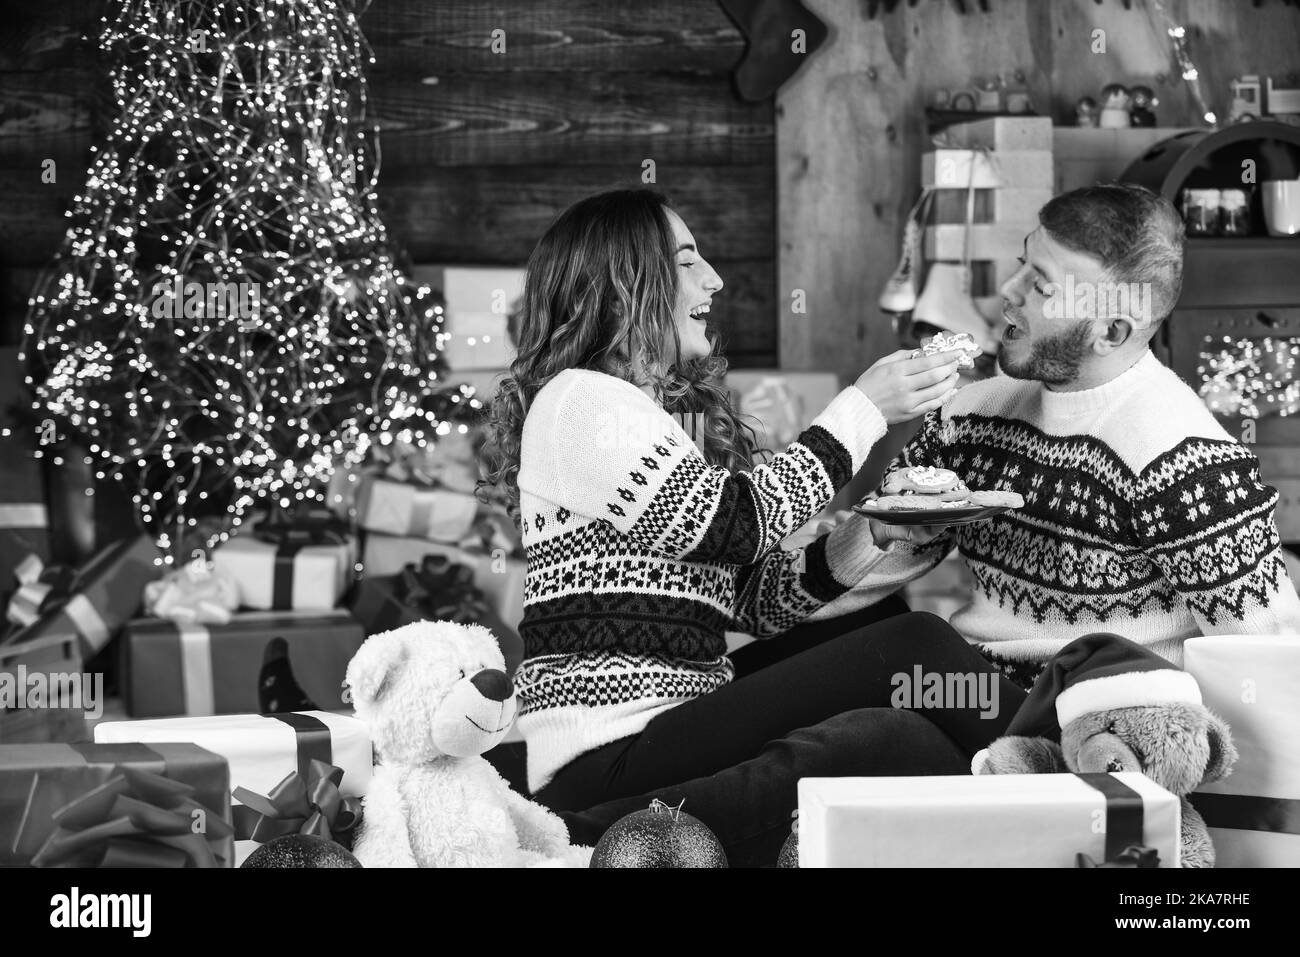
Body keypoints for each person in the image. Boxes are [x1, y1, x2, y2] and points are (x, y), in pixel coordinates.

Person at [479, 189, 1021, 865]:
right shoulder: (582, 400)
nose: (715, 279)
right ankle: (1089, 792)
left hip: (669, 721)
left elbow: (755, 601)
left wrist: (873, 536)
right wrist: (864, 408)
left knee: (910, 724)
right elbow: (732, 524)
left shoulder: (650, 419)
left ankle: (1037, 811)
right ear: (625, 286)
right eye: (687, 260)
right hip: (608, 757)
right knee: (913, 647)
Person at [801, 183, 1300, 690]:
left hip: (1077, 727)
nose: (1008, 290)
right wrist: (874, 536)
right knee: (839, 652)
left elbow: (1272, 667)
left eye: (1041, 287)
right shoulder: (970, 414)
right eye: (1022, 264)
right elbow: (855, 583)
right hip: (966, 691)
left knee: (898, 672)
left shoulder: (1191, 468)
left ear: (1111, 332)